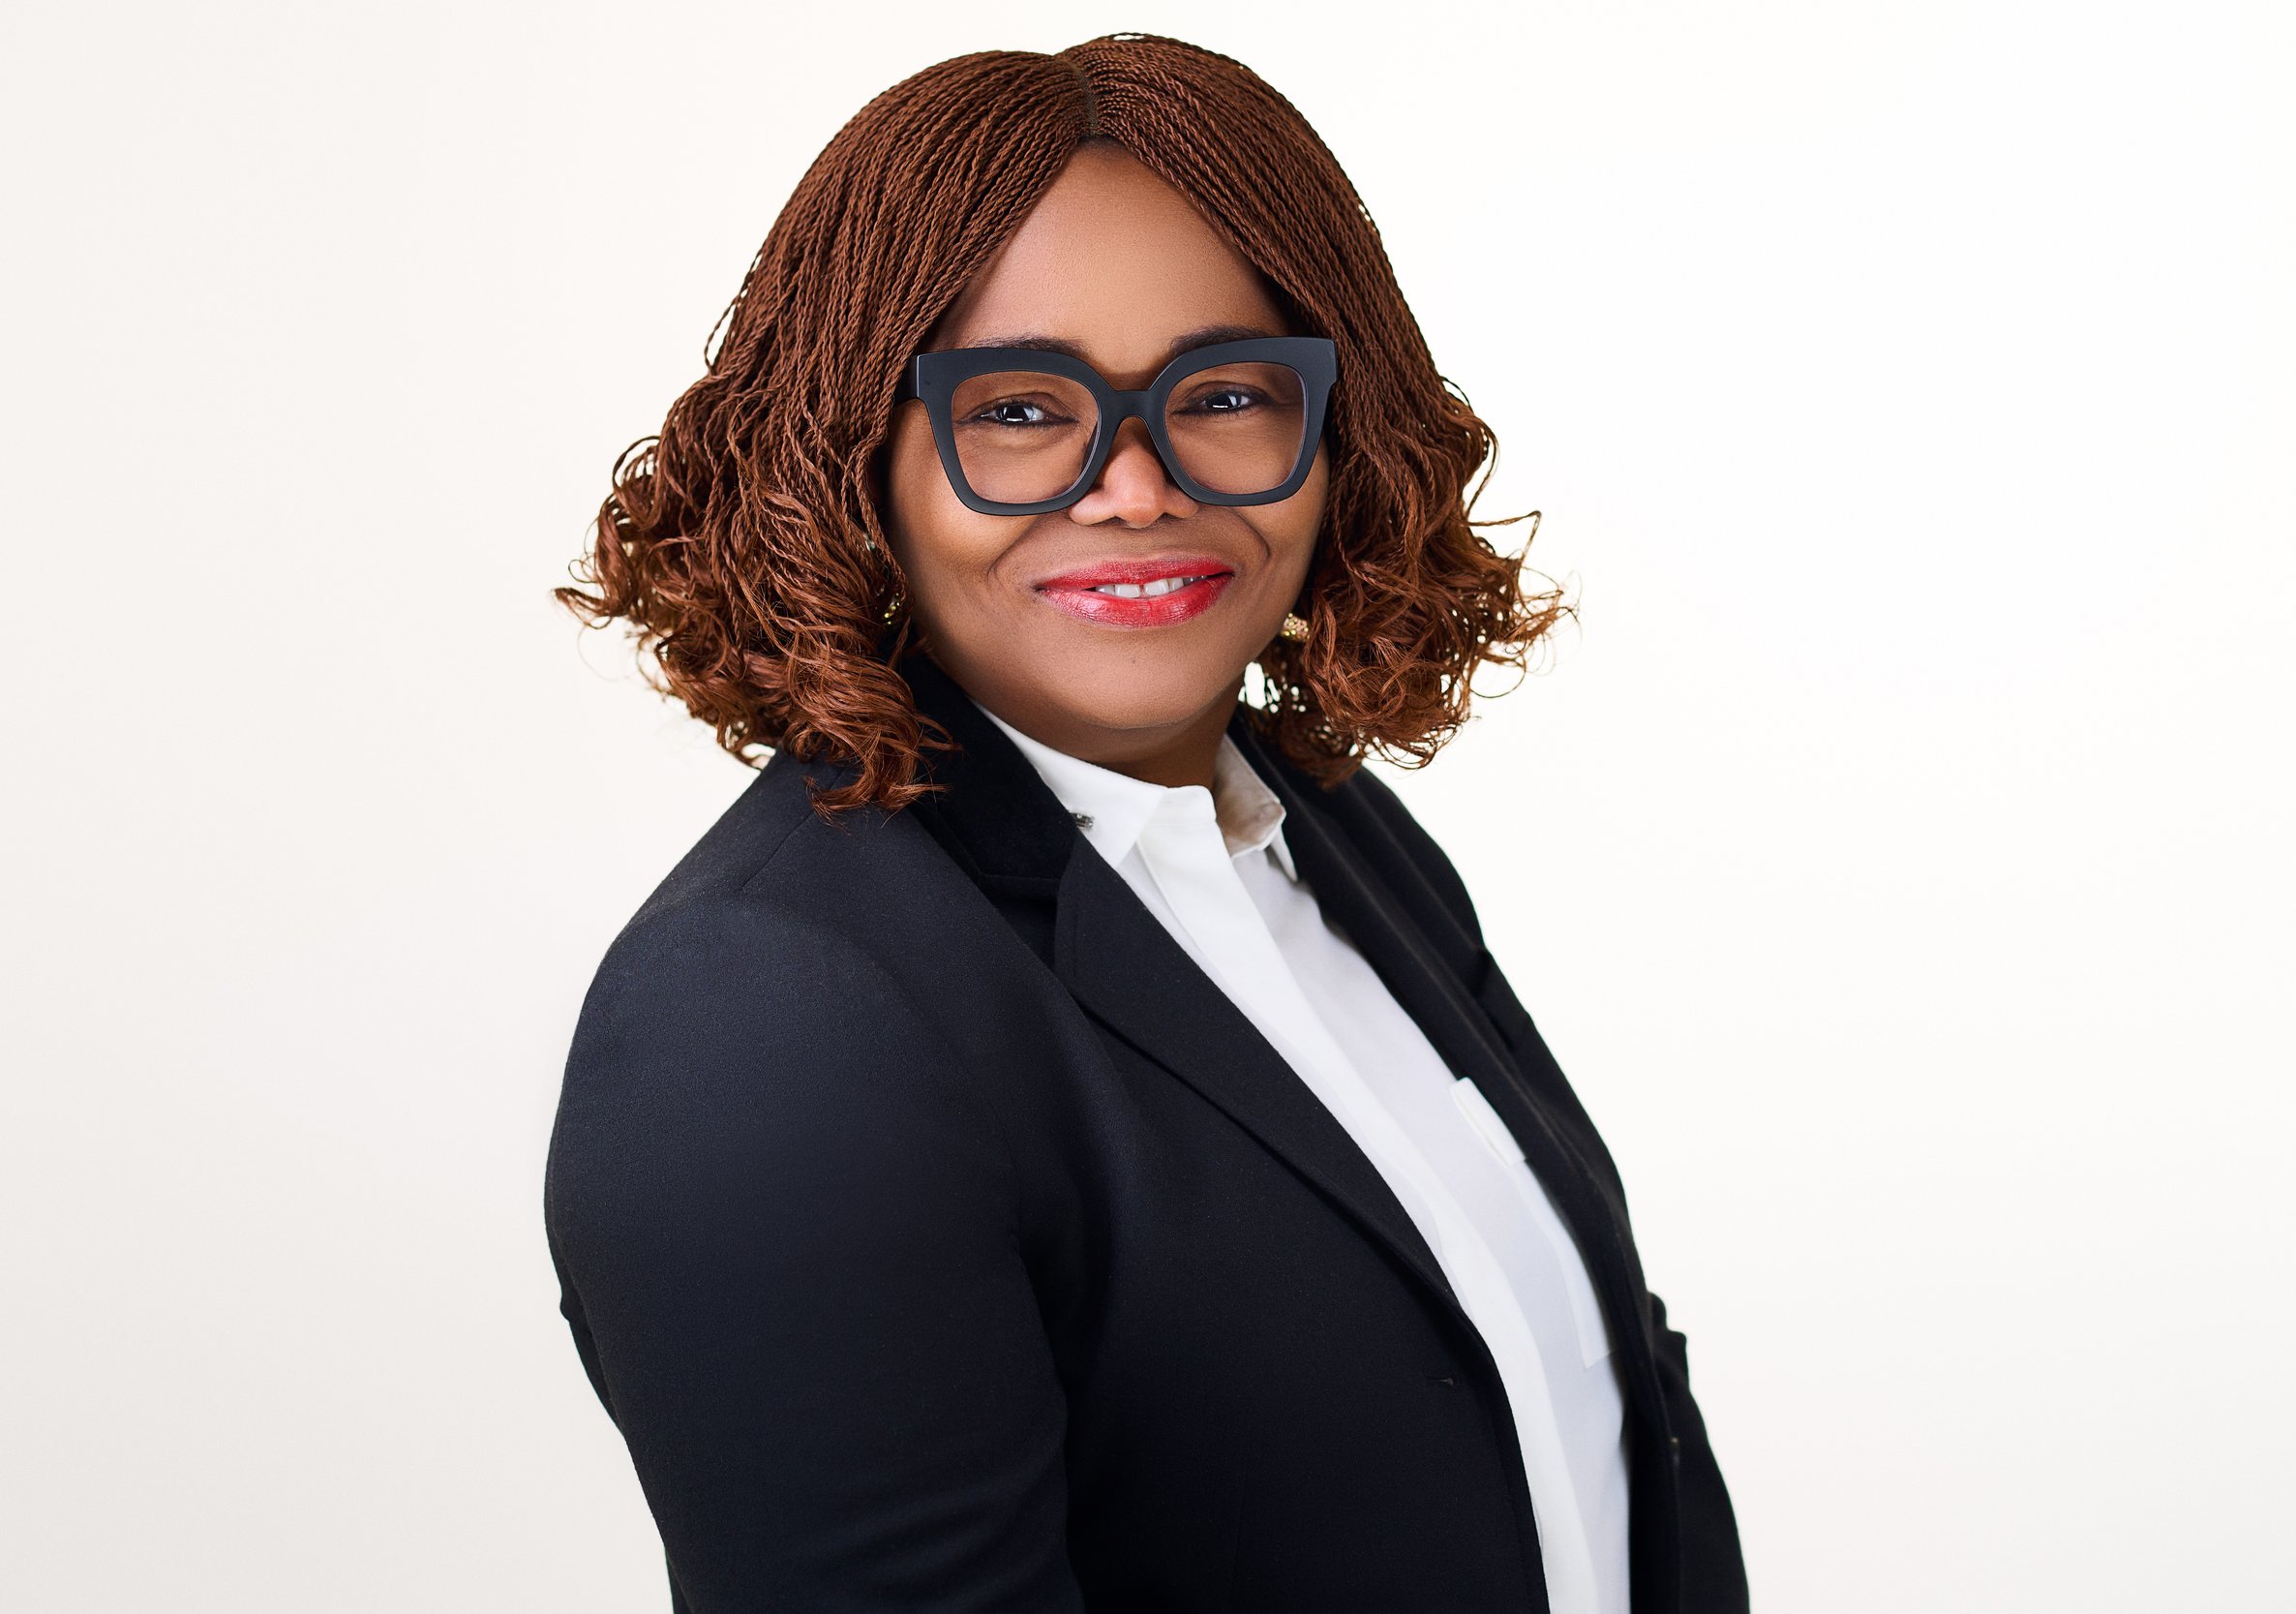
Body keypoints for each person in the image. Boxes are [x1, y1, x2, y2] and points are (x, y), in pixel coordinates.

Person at [543, 32, 1745, 1614]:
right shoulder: (764, 1020)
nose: (1134, 488)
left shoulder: (1331, 837)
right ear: (856, 459)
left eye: (1227, 392)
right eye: (1023, 408)